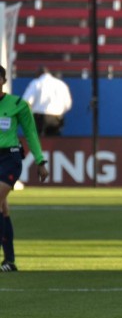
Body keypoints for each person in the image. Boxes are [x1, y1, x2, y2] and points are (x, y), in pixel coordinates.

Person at [0, 65, 49, 273]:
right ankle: (9, 261)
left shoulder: (18, 104)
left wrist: (40, 161)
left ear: (3, 80)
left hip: (10, 158)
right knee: (3, 207)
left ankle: (9, 260)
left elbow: (30, 133)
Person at [21, 67, 72, 137]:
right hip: (56, 118)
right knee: (54, 143)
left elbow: (26, 101)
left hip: (38, 118)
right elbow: (67, 104)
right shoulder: (61, 84)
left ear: (38, 74)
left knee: (37, 143)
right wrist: (59, 112)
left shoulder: (36, 83)